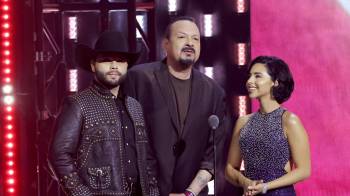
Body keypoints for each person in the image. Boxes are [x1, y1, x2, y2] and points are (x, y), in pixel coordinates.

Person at [124, 16, 229, 196]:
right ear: (165, 44)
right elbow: (127, 140)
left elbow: (213, 153)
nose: (190, 43)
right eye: (182, 37)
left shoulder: (214, 92)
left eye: (195, 39)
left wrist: (190, 193)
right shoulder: (139, 79)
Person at [49, 31, 159, 196]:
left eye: (121, 61)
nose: (114, 66)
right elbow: (58, 156)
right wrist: (81, 193)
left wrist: (153, 191)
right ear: (93, 65)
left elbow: (147, 159)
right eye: (106, 60)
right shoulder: (79, 104)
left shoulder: (135, 106)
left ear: (127, 66)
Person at [225, 56, 311, 195]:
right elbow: (230, 168)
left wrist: (266, 186)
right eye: (249, 76)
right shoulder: (243, 122)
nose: (249, 81)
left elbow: (304, 170)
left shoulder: (289, 120)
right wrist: (245, 182)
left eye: (257, 76)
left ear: (275, 82)